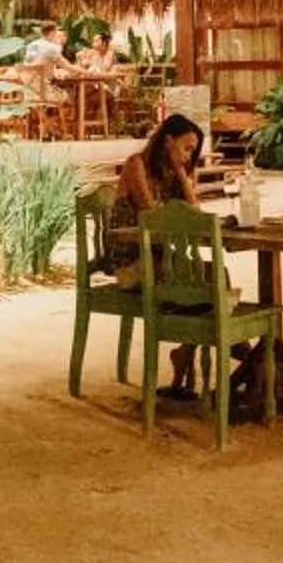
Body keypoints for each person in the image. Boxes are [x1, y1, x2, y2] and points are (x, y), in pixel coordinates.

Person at [112, 112, 209, 396]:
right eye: (186, 148)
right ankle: (248, 354)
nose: (189, 157)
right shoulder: (136, 165)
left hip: (160, 261)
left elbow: (196, 214)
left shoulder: (171, 173)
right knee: (203, 284)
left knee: (217, 277)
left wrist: (182, 173)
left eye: (193, 151)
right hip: (132, 263)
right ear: (168, 141)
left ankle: (187, 352)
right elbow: (152, 217)